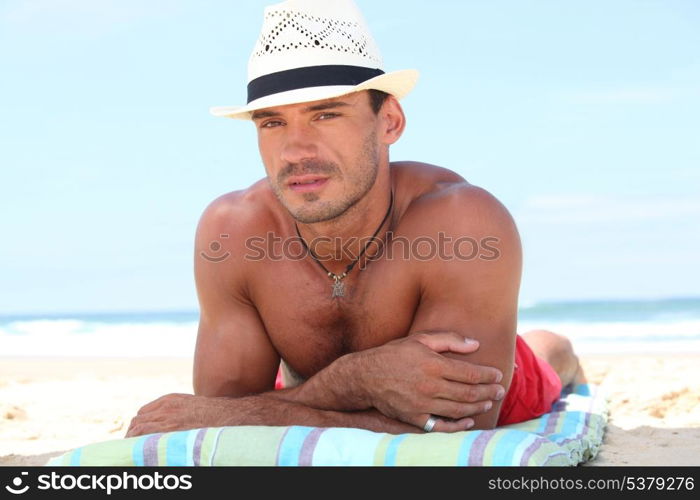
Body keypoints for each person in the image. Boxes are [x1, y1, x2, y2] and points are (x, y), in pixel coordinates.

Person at [126, 0, 584, 438]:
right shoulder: (232, 230)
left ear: (389, 122)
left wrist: (328, 387)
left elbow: (458, 426)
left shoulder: (461, 221)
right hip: (307, 398)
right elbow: (222, 414)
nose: (295, 150)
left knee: (547, 357)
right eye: (272, 123)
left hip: (506, 382)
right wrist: (355, 382)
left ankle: (556, 353)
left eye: (325, 114)